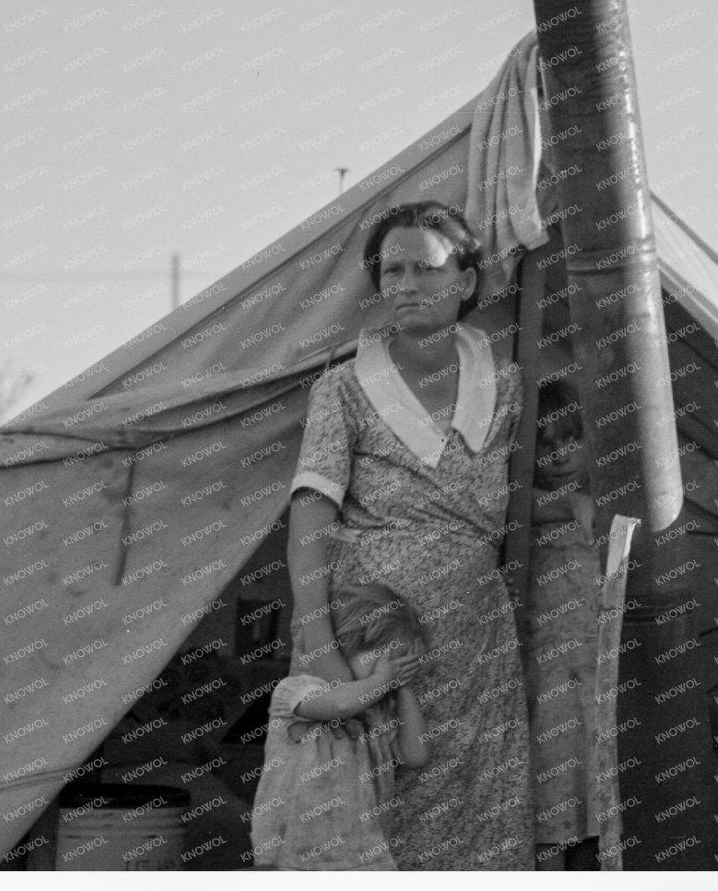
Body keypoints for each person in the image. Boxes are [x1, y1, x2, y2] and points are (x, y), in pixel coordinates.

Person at [285, 201, 532, 869]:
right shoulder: (344, 388)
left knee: (479, 808)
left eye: (425, 268)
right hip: (370, 637)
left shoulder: (509, 387)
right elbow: (310, 516)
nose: (404, 284)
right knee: (372, 810)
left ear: (468, 281)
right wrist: (319, 643)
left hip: (476, 640)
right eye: (391, 270)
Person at [250, 583, 432, 869]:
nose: (392, 668)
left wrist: (404, 688)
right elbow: (341, 705)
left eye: (400, 662)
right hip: (291, 855)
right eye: (386, 657)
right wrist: (382, 679)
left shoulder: (379, 712)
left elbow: (416, 755)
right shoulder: (295, 690)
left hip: (362, 856)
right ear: (346, 643)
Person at [523, 377, 601, 868]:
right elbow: (524, 507)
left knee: (595, 774)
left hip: (594, 662)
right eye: (545, 445)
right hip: (545, 665)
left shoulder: (609, 499)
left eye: (571, 439)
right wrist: (570, 505)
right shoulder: (524, 503)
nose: (559, 454)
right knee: (549, 767)